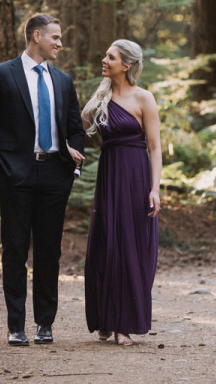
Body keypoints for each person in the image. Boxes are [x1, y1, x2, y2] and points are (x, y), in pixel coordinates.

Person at [0, 14, 85, 346]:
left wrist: (73, 164)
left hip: (55, 174)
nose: (59, 43)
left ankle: (45, 324)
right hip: (15, 176)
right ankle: (15, 326)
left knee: (49, 251)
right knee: (15, 250)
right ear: (36, 36)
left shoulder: (63, 80)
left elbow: (75, 128)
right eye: (55, 37)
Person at [82, 39, 161, 346]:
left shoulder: (144, 98)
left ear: (126, 66)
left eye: (110, 57)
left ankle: (124, 324)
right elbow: (80, 129)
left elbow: (155, 148)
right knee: (105, 245)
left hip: (136, 177)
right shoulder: (101, 96)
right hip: (108, 175)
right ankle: (105, 318)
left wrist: (154, 189)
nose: (104, 60)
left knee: (130, 247)